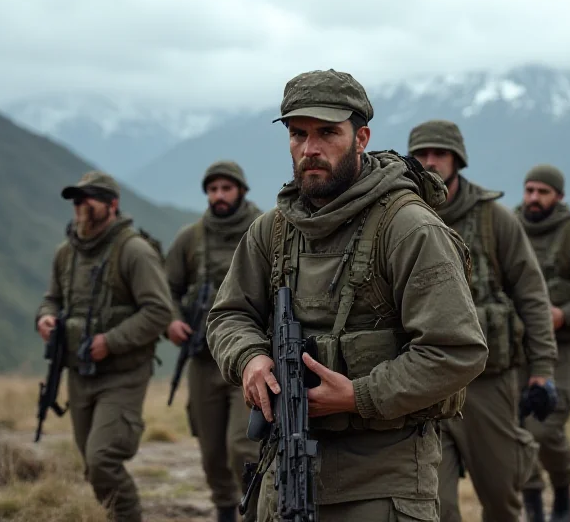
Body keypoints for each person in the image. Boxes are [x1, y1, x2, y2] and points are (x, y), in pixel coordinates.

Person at [205, 69, 488, 522]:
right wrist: (250, 358)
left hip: (381, 480)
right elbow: (228, 314)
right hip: (284, 474)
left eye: (327, 133)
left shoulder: (408, 228)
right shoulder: (273, 230)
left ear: (361, 138)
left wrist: (359, 395)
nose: (310, 149)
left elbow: (457, 350)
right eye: (298, 134)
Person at [407, 119, 558, 522]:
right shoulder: (398, 216)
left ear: (458, 160)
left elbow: (531, 295)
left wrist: (542, 369)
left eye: (439, 153)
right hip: (422, 384)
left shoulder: (494, 219)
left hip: (487, 383)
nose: (430, 162)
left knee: (501, 495)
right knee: (431, 505)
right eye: (421, 154)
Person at [35, 170, 173, 522]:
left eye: (88, 199)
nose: (80, 206)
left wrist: (110, 342)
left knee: (102, 460)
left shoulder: (133, 250)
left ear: (112, 205)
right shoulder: (66, 253)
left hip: (123, 375)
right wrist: (46, 318)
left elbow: (159, 311)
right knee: (92, 466)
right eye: (76, 200)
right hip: (80, 374)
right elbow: (51, 299)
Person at [164, 160, 264, 522]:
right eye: (212, 189)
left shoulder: (262, 229)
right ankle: (225, 512)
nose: (219, 196)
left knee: (243, 445)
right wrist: (172, 322)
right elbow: (167, 290)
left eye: (226, 188)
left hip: (247, 359)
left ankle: (254, 511)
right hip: (204, 360)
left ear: (241, 190)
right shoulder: (190, 239)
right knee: (210, 452)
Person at [514, 164, 570, 522]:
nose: (534, 198)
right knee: (517, 430)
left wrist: (562, 315)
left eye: (543, 191)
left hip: (560, 349)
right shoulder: (510, 227)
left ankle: (563, 485)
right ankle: (534, 504)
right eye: (529, 189)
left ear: (559, 197)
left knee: (545, 426)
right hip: (515, 346)